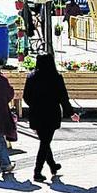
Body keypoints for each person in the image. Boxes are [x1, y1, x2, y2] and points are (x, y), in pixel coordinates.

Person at [23, 53, 80, 182]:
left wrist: (34, 104)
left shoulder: (31, 77)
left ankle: (53, 165)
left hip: (36, 113)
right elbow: (63, 98)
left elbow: (26, 96)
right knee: (45, 142)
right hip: (51, 113)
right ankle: (37, 172)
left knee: (44, 141)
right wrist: (71, 113)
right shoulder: (56, 77)